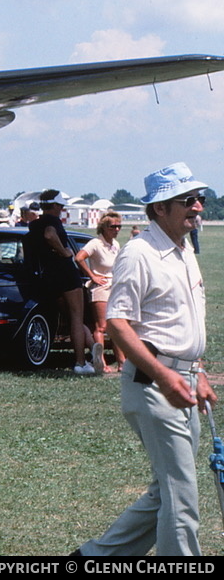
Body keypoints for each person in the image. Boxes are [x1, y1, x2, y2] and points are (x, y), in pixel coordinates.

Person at [76, 163, 216, 557]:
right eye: (187, 200)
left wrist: (198, 371)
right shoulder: (139, 253)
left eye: (199, 199)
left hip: (183, 381)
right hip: (155, 384)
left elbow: (181, 323)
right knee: (182, 496)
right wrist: (165, 377)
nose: (198, 207)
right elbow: (118, 324)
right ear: (159, 208)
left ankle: (94, 557)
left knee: (168, 489)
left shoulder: (184, 249)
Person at [26, 189, 94, 374]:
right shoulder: (52, 222)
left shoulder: (34, 224)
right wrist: (64, 252)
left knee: (71, 318)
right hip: (65, 273)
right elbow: (50, 235)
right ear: (56, 206)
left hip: (49, 275)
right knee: (76, 318)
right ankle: (80, 362)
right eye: (61, 205)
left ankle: (94, 353)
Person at [76, 211, 123, 373]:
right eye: (112, 227)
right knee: (101, 327)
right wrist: (92, 276)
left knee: (116, 325)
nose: (116, 230)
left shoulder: (115, 245)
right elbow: (79, 257)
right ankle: (101, 362)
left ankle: (122, 361)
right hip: (100, 289)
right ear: (103, 228)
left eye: (119, 226)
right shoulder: (95, 243)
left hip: (114, 287)